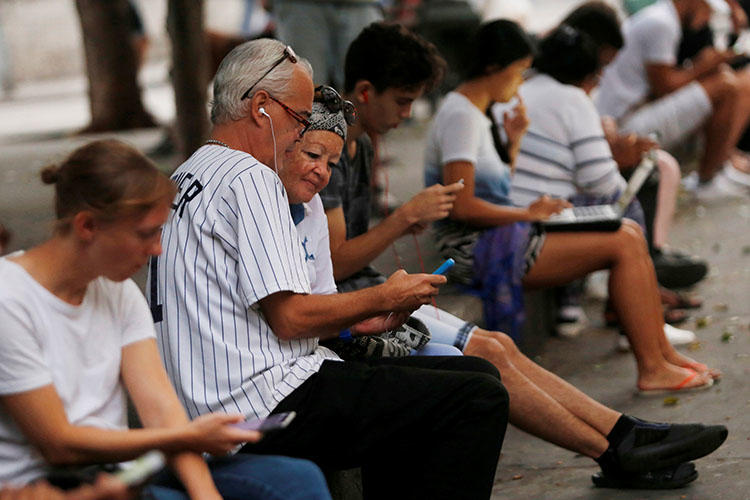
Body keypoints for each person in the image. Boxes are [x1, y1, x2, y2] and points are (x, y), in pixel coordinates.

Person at [287, 90, 729, 489]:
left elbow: (328, 292)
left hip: (359, 309)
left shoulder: (340, 168)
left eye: (329, 162)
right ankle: (620, 441)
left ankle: (623, 433)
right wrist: (401, 228)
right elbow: (318, 294)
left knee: (496, 347)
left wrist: (513, 149)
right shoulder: (456, 116)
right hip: (350, 321)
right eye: (402, 100)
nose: (323, 171)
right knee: (489, 361)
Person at [152, 38, 510, 500]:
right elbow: (290, 317)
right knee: (477, 400)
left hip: (220, 396)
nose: (300, 131)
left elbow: (263, 311)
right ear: (261, 107)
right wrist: (383, 296)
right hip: (257, 404)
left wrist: (358, 319)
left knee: (472, 378)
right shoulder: (250, 176)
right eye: (299, 118)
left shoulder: (188, 173)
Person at [0, 139, 333, 500]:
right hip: (46, 486)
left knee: (297, 478)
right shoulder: (10, 298)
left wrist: (207, 494)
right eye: (146, 233)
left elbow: (161, 410)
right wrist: (185, 437)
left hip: (125, 474)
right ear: (87, 226)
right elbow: (59, 444)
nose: (158, 248)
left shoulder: (119, 291)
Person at [423, 19, 722, 393]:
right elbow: (462, 206)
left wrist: (513, 146)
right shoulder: (461, 115)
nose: (522, 84)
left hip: (502, 233)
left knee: (626, 231)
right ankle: (652, 367)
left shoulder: (477, 112)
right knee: (623, 240)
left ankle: (663, 356)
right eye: (518, 73)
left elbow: (492, 187)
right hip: (475, 247)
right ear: (493, 68)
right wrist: (528, 213)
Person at [504, 23, 705, 337]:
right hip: (532, 222)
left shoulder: (519, 89)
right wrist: (623, 156)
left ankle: (580, 308)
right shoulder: (572, 98)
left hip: (518, 213)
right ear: (586, 75)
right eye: (597, 78)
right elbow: (604, 184)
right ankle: (636, 320)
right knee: (629, 210)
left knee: (587, 199)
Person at [595, 0, 750, 199]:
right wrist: (707, 64)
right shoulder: (661, 23)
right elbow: (665, 87)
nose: (707, 18)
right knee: (725, 86)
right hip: (624, 123)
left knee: (728, 80)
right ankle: (707, 180)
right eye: (706, 10)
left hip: (635, 112)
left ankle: (720, 167)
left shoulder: (664, 17)